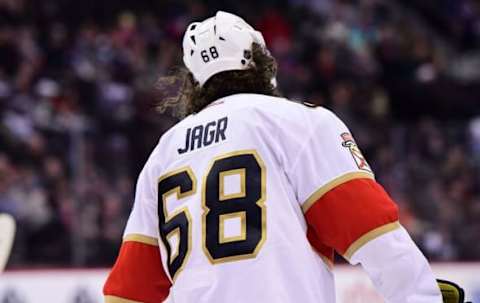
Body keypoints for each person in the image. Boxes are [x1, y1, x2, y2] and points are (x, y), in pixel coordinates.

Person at [103, 11, 442, 303]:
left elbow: (130, 289)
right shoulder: (299, 122)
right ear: (261, 60)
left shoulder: (164, 151)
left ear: (194, 82)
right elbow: (370, 230)